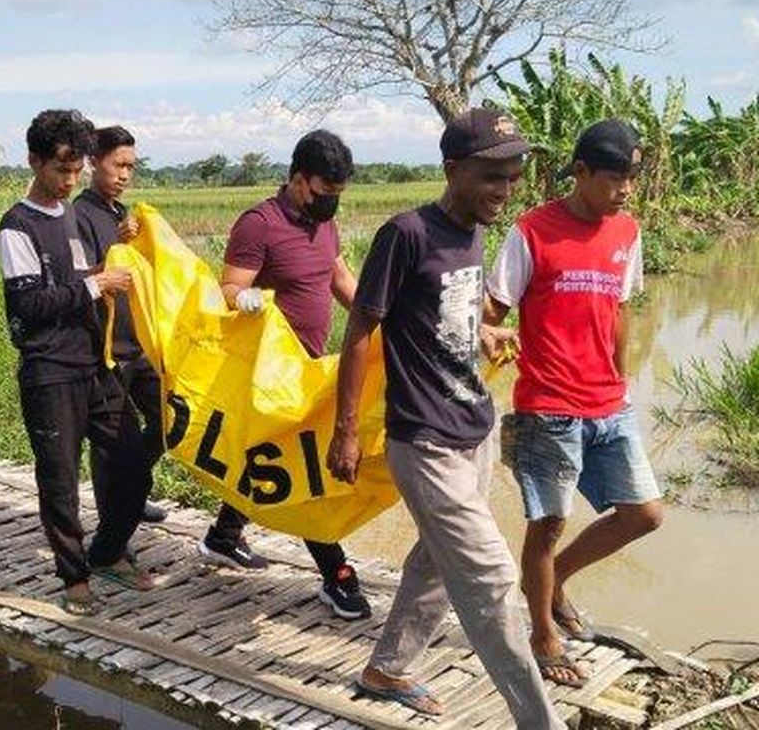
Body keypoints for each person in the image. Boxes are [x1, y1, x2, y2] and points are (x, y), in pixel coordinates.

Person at [327, 108, 562, 727]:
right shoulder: (406, 234)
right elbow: (361, 328)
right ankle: (541, 722)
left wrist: (480, 332)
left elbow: (441, 313)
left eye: (513, 177)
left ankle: (388, 667)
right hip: (425, 441)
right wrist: (347, 430)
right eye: (491, 176)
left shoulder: (477, 234)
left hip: (475, 427)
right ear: (452, 169)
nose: (504, 191)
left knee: (435, 559)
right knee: (491, 577)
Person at [484, 119, 664, 686]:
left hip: (609, 402)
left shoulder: (627, 232)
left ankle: (554, 579)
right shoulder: (532, 231)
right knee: (549, 522)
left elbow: (620, 307)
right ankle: (542, 632)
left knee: (644, 514)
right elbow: (492, 312)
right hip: (549, 406)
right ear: (581, 173)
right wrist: (487, 347)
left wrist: (620, 374)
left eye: (633, 178)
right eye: (617, 178)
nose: (627, 189)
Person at [195, 129, 371, 620]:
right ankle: (337, 577)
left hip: (311, 368)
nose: (329, 204)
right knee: (304, 472)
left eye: (337, 196)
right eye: (322, 194)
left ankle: (222, 537)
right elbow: (227, 288)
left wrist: (380, 319)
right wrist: (241, 298)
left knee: (268, 461)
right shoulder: (259, 224)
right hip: (270, 379)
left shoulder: (325, 225)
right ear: (297, 180)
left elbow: (339, 280)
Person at [0, 109, 155, 616]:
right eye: (61, 170)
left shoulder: (73, 216)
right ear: (35, 161)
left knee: (133, 463)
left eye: (76, 171)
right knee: (60, 479)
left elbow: (84, 272)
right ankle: (74, 577)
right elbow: (29, 305)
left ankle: (106, 551)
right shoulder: (16, 226)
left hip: (95, 364)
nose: (69, 181)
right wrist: (94, 284)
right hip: (50, 372)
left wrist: (111, 261)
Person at [73, 125, 167, 526]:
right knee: (110, 441)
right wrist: (118, 242)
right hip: (104, 345)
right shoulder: (80, 215)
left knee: (170, 415)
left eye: (131, 166)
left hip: (137, 341)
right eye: (119, 165)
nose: (126, 175)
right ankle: (116, 507)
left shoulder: (120, 213)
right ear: (95, 162)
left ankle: (133, 486)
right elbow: (80, 279)